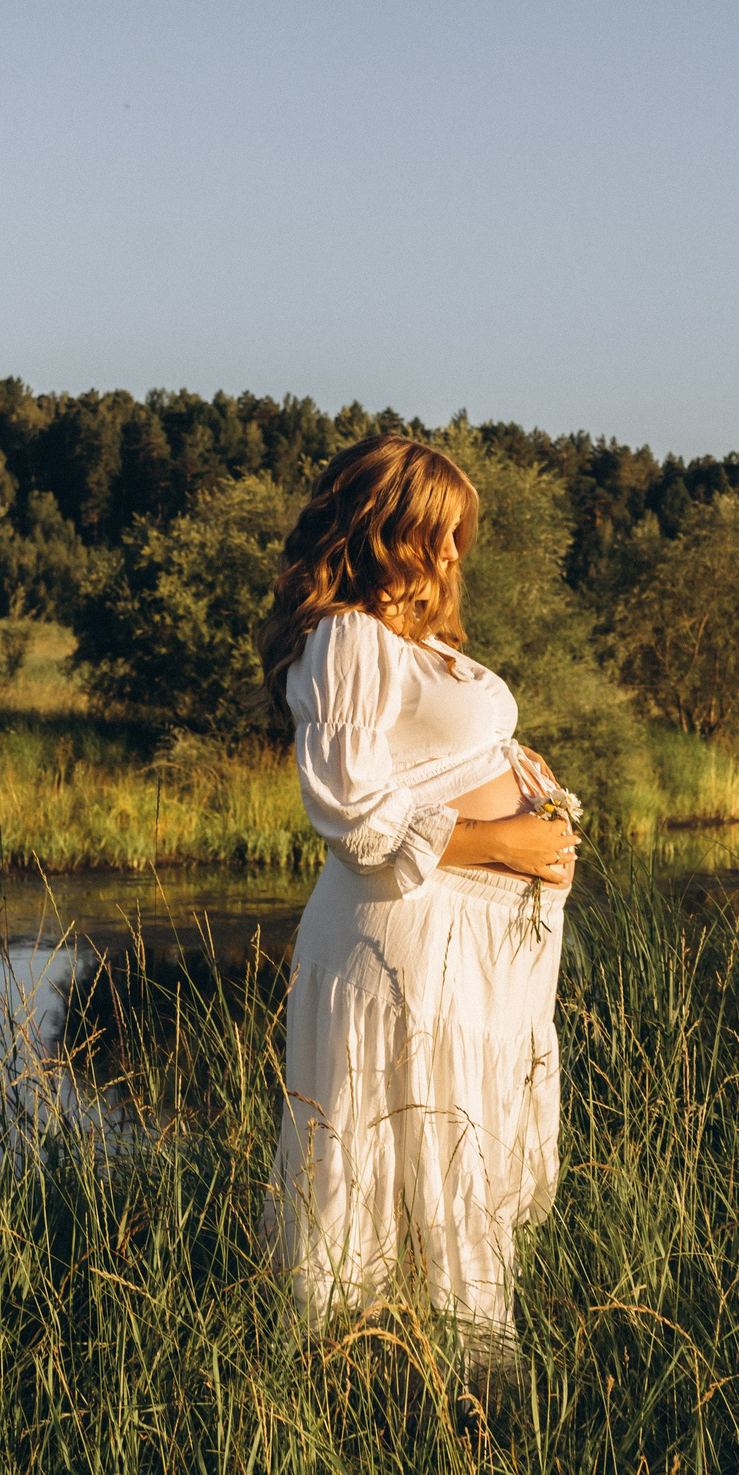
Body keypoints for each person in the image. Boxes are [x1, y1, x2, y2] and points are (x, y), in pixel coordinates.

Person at [254, 434, 580, 1366]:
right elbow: (352, 815)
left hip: (464, 944)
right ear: (377, 529)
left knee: (452, 1152)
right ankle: (374, 1374)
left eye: (457, 538)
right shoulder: (347, 637)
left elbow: (436, 761)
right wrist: (504, 839)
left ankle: (436, 1374)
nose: (449, 557)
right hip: (399, 938)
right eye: (431, 535)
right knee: (395, 1148)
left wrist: (526, 778)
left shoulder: (424, 647)